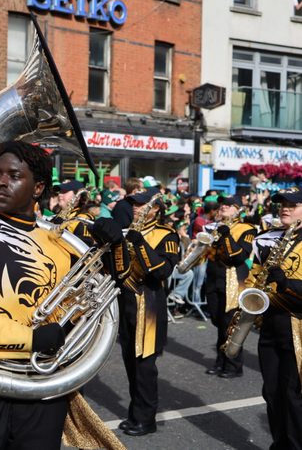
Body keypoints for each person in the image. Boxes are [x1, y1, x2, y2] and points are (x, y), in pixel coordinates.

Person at [0, 142, 124, 450]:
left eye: (14, 174)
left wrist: (112, 253)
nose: (0, 181)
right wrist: (29, 339)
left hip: (42, 389)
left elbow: (87, 306)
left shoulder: (60, 242)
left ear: (38, 187)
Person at [118, 187, 179, 436]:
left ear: (156, 208)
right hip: (126, 303)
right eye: (133, 202)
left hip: (150, 305)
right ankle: (135, 413)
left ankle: (147, 419)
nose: (135, 207)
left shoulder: (167, 235)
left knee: (144, 367)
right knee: (131, 365)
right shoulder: (131, 231)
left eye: (141, 204)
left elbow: (162, 272)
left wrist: (140, 243)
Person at [249, 187, 302, 449]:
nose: (286, 207)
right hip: (270, 324)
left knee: (294, 395)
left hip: (298, 326)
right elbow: (254, 279)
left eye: (294, 203)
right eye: (282, 203)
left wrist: (288, 283)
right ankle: (279, 444)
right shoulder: (268, 239)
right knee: (271, 391)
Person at [202, 195, 256, 379]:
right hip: (214, 279)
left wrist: (226, 234)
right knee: (218, 323)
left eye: (228, 204)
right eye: (222, 204)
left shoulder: (247, 228)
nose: (223, 206)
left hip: (232, 281)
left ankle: (233, 364)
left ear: (238, 209)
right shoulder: (216, 226)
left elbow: (240, 256)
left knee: (230, 324)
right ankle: (221, 361)